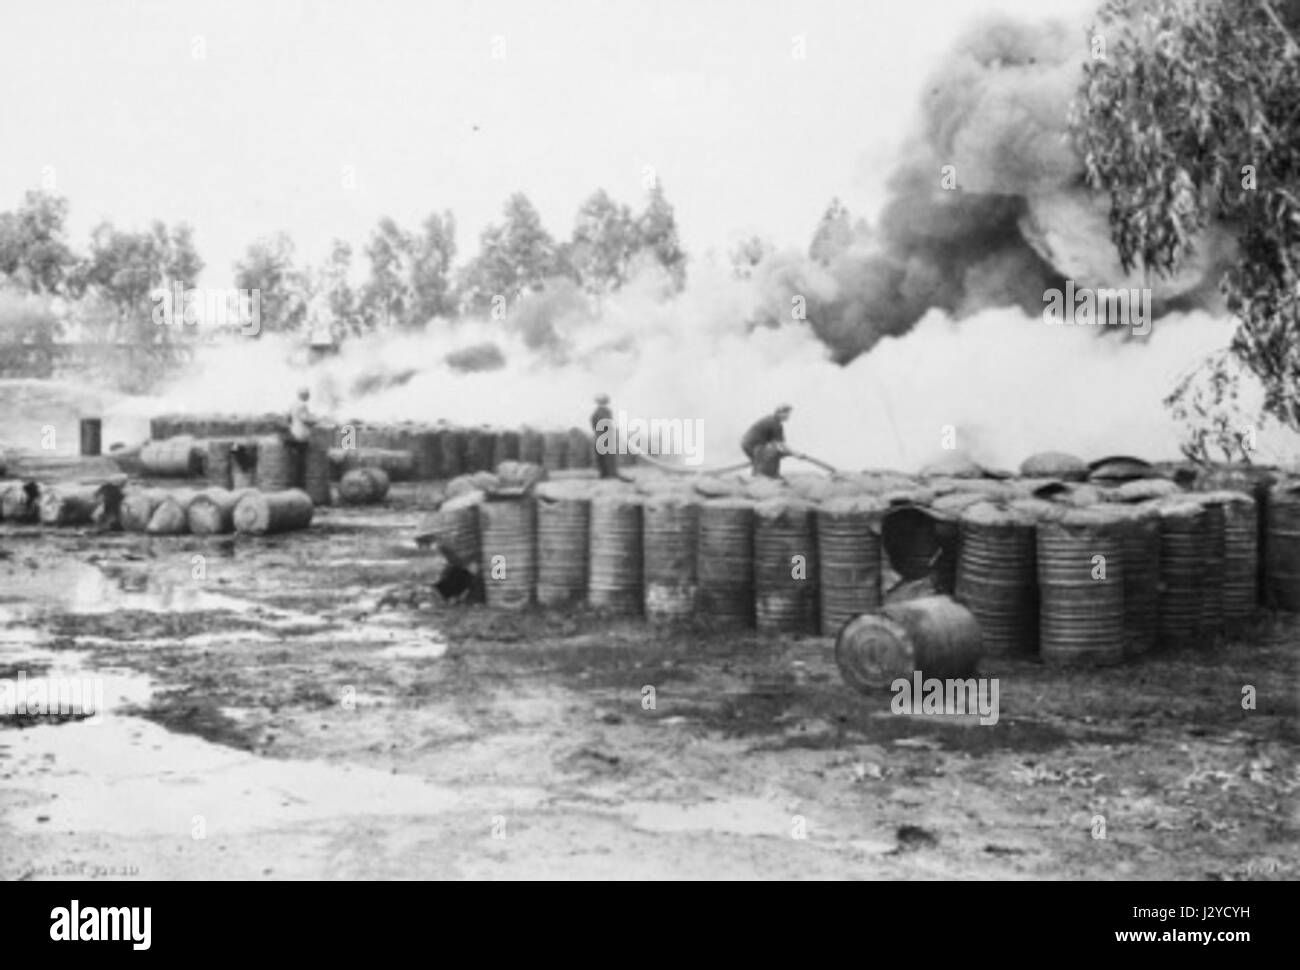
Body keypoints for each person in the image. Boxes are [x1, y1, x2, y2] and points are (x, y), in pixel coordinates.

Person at [740, 404, 793, 478]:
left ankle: (764, 473)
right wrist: (796, 453)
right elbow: (779, 444)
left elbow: (778, 444)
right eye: (785, 413)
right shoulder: (775, 424)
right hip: (754, 446)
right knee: (774, 454)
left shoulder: (770, 419)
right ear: (778, 413)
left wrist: (786, 452)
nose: (787, 416)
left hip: (747, 444)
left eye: (788, 413)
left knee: (767, 458)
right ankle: (766, 477)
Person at [285, 387, 317, 486]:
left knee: (293, 461)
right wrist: (315, 421)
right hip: (302, 436)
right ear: (304, 395)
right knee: (301, 463)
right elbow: (305, 419)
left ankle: (293, 483)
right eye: (308, 395)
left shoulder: (292, 404)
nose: (309, 397)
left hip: (293, 433)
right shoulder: (303, 405)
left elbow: (287, 418)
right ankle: (300, 484)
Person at [590, 393, 621, 479]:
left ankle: (604, 475)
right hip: (606, 437)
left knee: (601, 459)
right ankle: (612, 474)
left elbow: (593, 425)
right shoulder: (607, 411)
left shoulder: (595, 413)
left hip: (598, 437)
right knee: (609, 458)